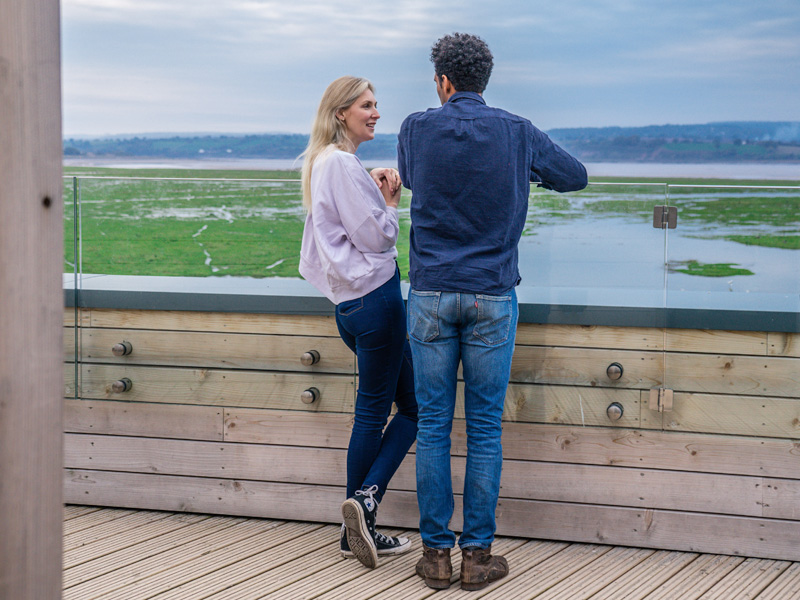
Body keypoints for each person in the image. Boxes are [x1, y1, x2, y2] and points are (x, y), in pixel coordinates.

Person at [397, 33, 588, 591]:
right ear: (484, 80)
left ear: (443, 82)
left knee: (432, 425)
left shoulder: (415, 126)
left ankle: (435, 556)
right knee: (483, 430)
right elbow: (574, 175)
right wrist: (523, 173)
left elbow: (411, 177)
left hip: (430, 294)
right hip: (491, 296)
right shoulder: (518, 131)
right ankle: (478, 558)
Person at [298, 76, 418, 570]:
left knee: (395, 407)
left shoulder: (322, 164)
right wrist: (390, 204)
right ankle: (365, 506)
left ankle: (357, 530)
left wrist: (372, 190)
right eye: (367, 106)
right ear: (342, 111)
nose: (375, 113)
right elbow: (376, 239)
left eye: (376, 105)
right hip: (378, 302)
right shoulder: (343, 163)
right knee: (403, 411)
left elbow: (333, 235)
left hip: (348, 306)